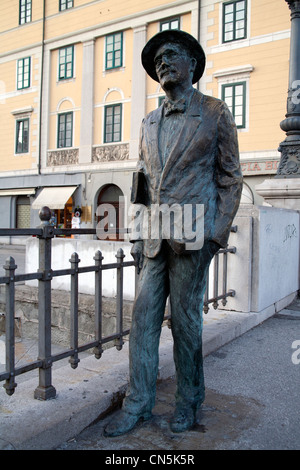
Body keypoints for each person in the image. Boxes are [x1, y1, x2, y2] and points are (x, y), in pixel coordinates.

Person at [104, 29, 243, 437]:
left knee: (185, 322)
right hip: (153, 238)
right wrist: (134, 236)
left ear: (192, 65)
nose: (162, 63)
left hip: (192, 237)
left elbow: (230, 179)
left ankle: (189, 401)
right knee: (143, 319)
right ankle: (138, 403)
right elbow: (142, 182)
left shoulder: (215, 112)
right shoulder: (148, 121)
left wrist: (216, 236)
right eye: (157, 59)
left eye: (170, 55)